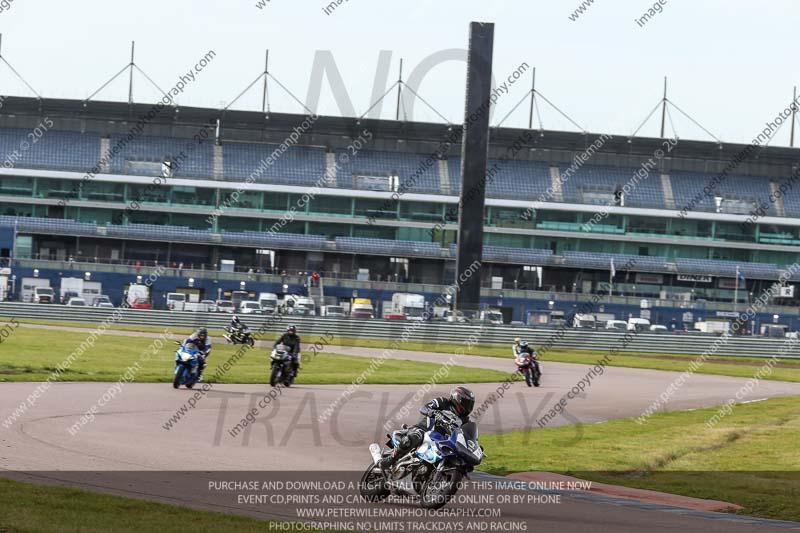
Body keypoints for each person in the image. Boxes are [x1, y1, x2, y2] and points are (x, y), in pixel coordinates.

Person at [379, 387, 475, 473]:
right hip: (424, 430)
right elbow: (424, 408)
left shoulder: (464, 420)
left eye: (470, 404)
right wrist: (432, 412)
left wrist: (473, 444)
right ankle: (391, 459)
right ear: (457, 399)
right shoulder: (443, 402)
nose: (468, 406)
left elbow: (466, 433)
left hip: (440, 440)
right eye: (466, 403)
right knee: (414, 437)